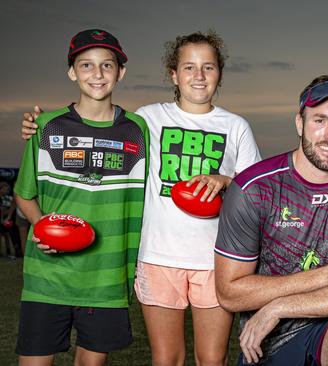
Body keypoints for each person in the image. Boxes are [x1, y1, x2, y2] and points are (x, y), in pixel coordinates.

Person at [21, 30, 261, 366]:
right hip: (158, 254)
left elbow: (256, 192)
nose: (199, 75)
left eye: (208, 67)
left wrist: (225, 179)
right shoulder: (146, 119)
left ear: (220, 72)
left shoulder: (236, 126)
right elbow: (97, 126)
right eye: (189, 67)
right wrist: (39, 127)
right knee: (166, 358)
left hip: (214, 259)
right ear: (173, 74)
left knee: (212, 358)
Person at [214, 74, 328, 365]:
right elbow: (230, 292)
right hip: (266, 343)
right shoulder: (254, 188)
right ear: (300, 122)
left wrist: (279, 307)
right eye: (319, 120)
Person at [13, 29, 149, 365]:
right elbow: (24, 195)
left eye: (107, 65)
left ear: (121, 72)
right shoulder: (46, 126)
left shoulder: (138, 129)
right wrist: (40, 224)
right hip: (48, 277)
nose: (97, 74)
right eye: (86, 65)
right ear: (72, 72)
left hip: (105, 278)